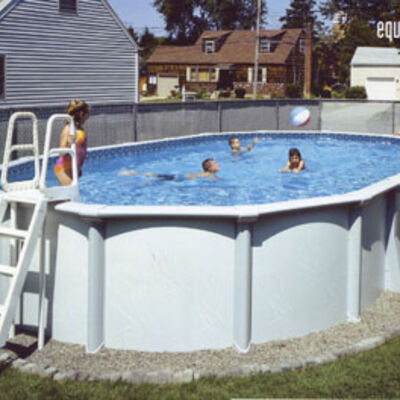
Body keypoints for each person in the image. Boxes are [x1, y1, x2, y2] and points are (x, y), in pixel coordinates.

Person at [54, 100, 90, 186]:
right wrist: (69, 143)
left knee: (68, 196)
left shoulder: (80, 129)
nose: (88, 117)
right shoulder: (68, 128)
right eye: (87, 113)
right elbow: (61, 153)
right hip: (64, 168)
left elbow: (80, 149)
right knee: (69, 196)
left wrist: (78, 168)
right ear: (82, 114)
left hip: (73, 168)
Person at [119, 158, 220, 180]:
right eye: (215, 164)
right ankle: (135, 173)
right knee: (156, 176)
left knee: (158, 178)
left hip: (181, 177)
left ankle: (136, 173)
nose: (217, 165)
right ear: (209, 168)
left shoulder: (207, 174)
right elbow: (216, 181)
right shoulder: (209, 174)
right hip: (180, 178)